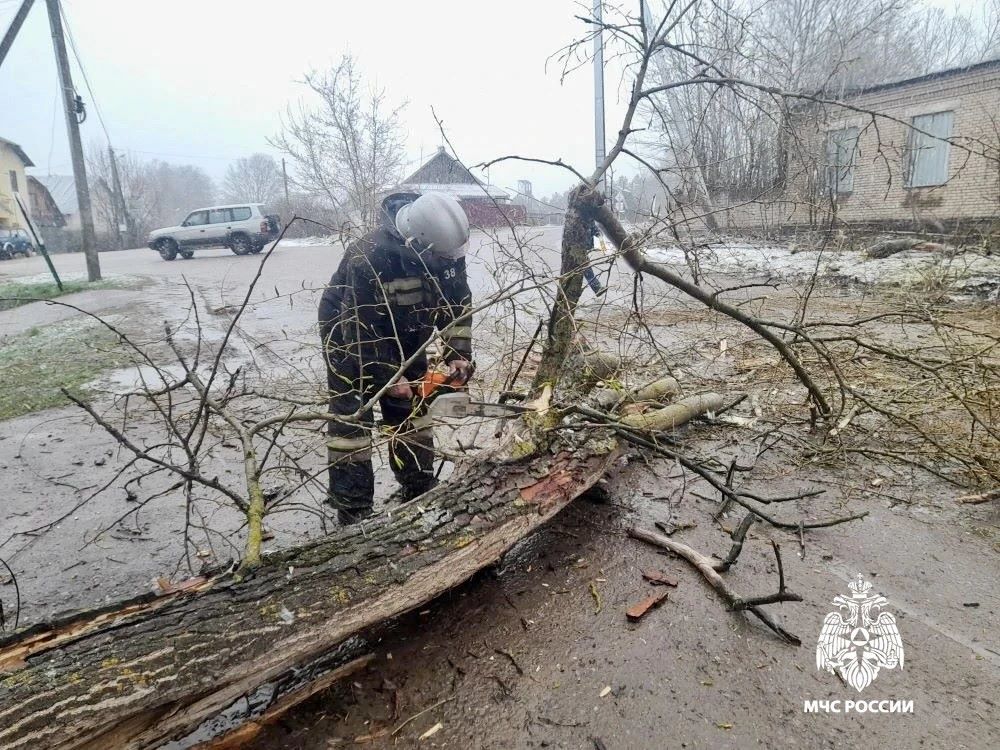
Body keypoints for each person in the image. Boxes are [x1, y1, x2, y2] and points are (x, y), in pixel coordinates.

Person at [319, 192, 474, 524]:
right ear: (418, 243)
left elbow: (457, 306)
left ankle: (417, 481)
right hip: (349, 335)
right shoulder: (370, 256)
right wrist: (387, 376)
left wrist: (458, 354)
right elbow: (358, 328)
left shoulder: (445, 248)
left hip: (408, 330)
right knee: (353, 418)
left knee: (412, 408)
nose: (451, 262)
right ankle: (353, 505)